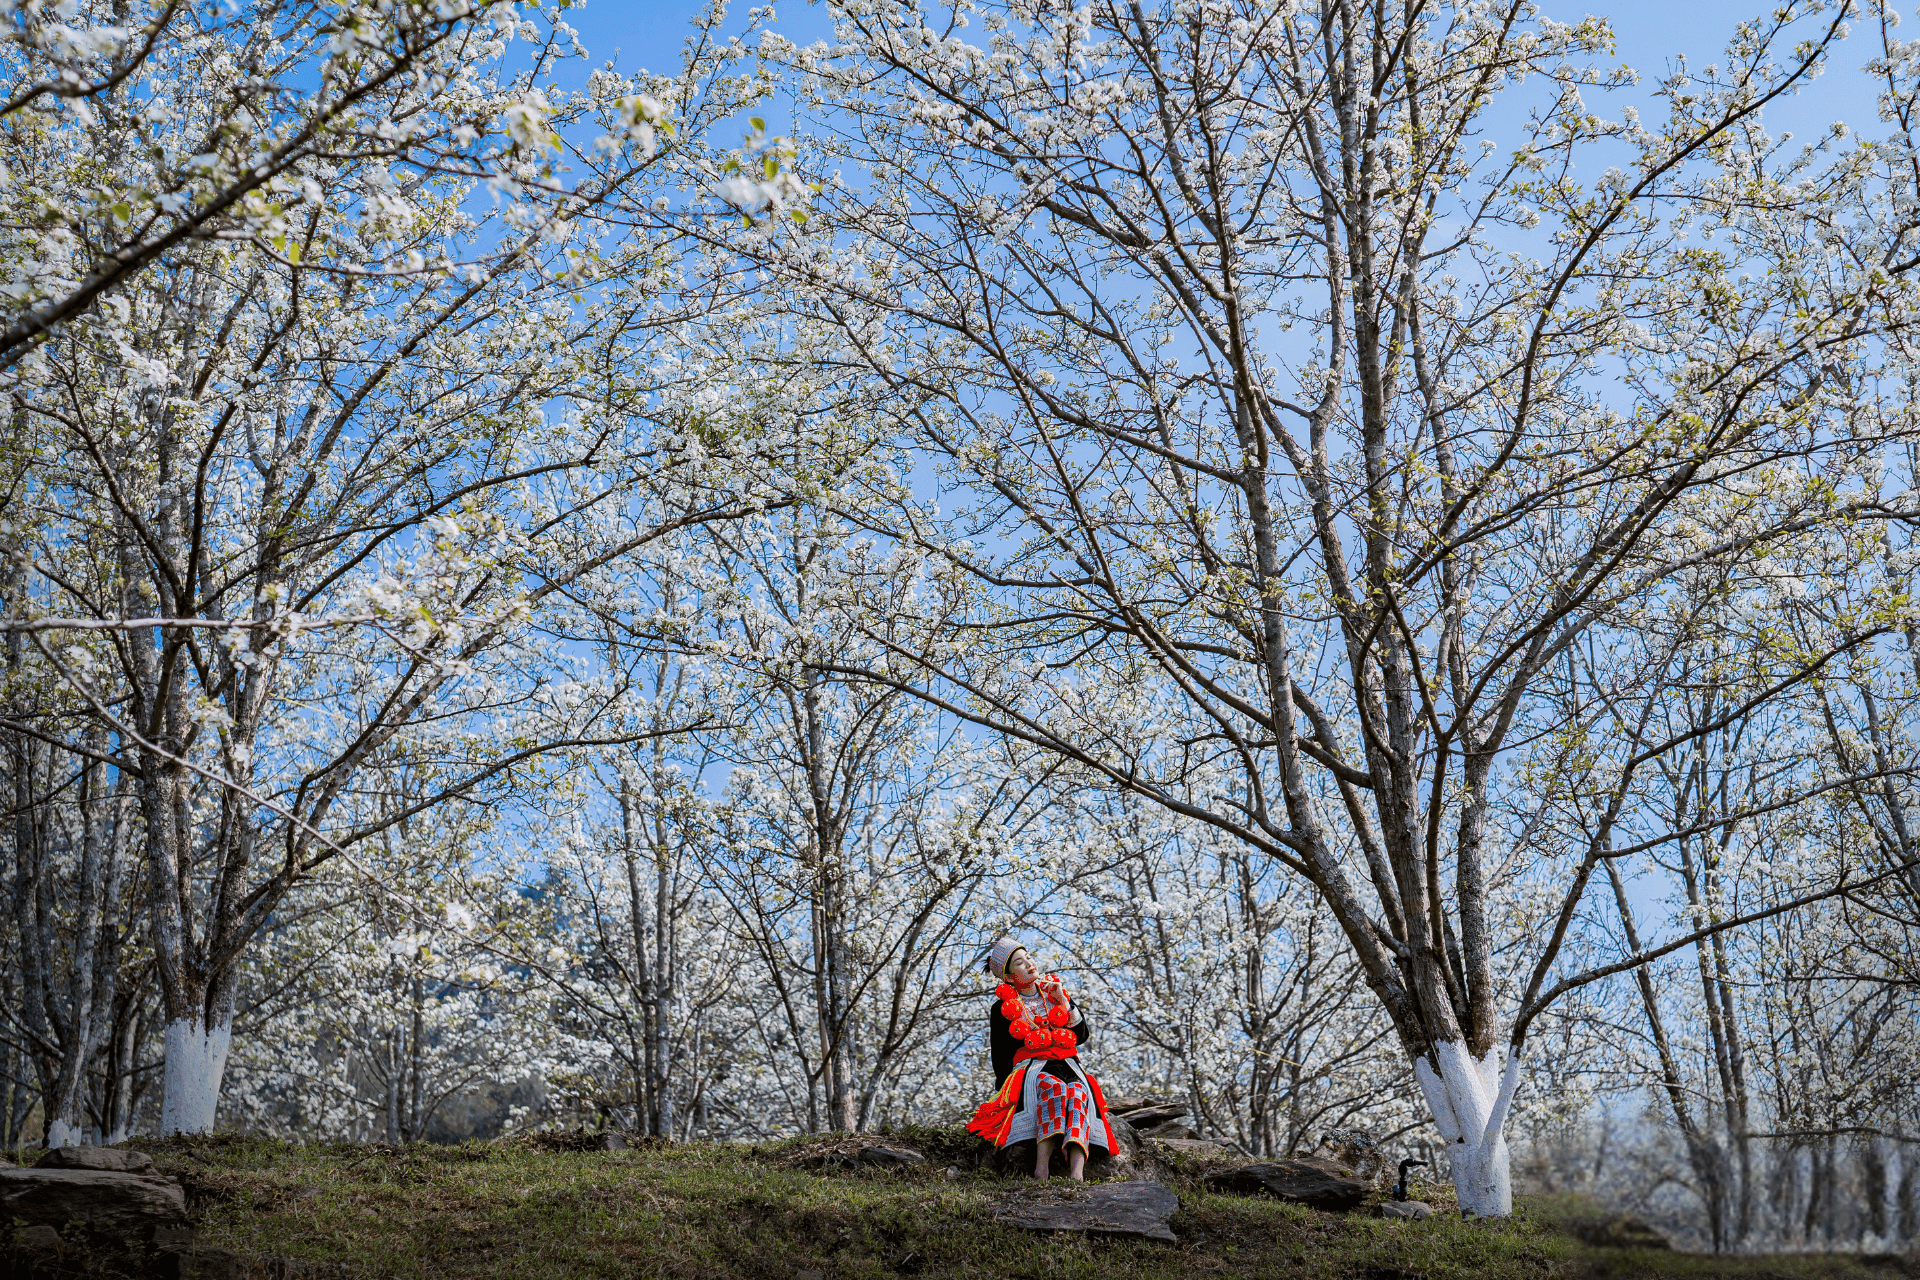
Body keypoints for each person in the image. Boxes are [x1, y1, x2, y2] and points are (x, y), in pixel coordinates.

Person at [965, 936, 1118, 1181]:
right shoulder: (1001, 1008)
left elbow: (1081, 1036)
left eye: (1028, 957)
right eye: (1019, 963)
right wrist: (1006, 1094)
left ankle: (1077, 1174)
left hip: (1067, 1064)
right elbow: (1001, 1055)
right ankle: (1041, 1169)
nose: (1028, 964)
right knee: (1055, 1089)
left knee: (1079, 1092)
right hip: (1031, 1068)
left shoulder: (1055, 992)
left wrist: (1063, 1002)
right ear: (1008, 977)